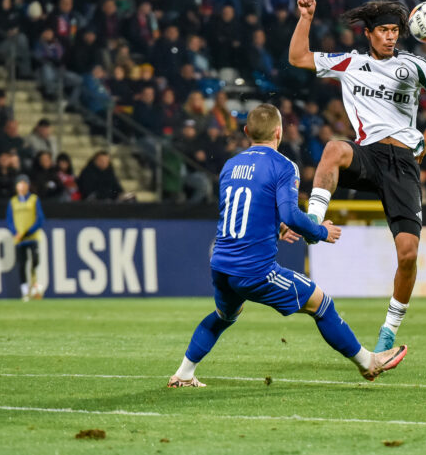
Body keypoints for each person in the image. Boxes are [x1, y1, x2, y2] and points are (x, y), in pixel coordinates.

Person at [168, 104, 407, 387]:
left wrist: (274, 229)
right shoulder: (283, 165)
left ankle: (183, 374)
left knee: (224, 315)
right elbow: (291, 215)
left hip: (221, 264)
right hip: (254, 270)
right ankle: (369, 363)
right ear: (279, 133)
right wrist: (320, 231)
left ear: (246, 131)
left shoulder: (230, 165)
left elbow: (239, 212)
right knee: (322, 304)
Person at [288, 0, 426, 352]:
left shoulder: (414, 66)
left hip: (403, 165)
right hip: (369, 154)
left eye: (395, 31)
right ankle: (312, 223)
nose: (390, 37)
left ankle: (389, 330)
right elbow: (298, 58)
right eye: (383, 30)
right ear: (368, 33)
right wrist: (305, 17)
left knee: (409, 254)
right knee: (335, 149)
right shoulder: (350, 62)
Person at [6, 175, 45, 301]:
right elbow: (10, 220)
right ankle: (25, 291)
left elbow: (40, 218)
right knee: (22, 264)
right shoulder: (13, 202)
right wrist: (15, 232)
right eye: (19, 184)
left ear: (28, 185)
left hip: (32, 237)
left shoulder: (34, 199)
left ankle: (34, 283)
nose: (21, 186)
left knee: (35, 259)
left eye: (24, 183)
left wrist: (28, 231)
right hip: (19, 239)